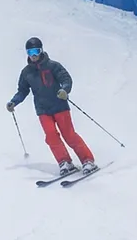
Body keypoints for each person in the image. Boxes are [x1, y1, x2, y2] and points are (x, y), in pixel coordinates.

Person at [7, 37, 96, 177]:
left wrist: (64, 90)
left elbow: (66, 79)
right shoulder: (26, 72)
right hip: (43, 110)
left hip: (59, 106)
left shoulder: (53, 66)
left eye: (36, 51)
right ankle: (65, 162)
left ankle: (87, 160)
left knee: (69, 135)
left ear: (41, 50)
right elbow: (23, 90)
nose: (33, 55)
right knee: (51, 137)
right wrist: (14, 102)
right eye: (30, 52)